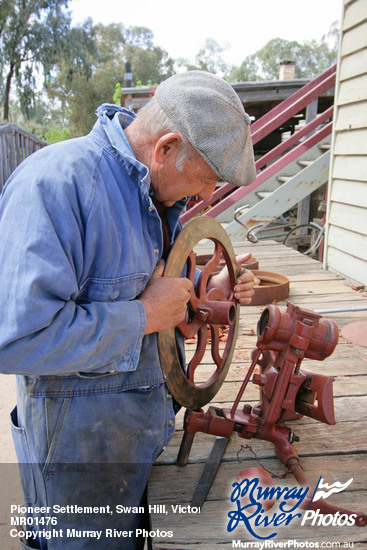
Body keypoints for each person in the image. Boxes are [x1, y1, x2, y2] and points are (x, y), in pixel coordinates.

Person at [0, 71, 256, 549]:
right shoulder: (58, 186)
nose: (204, 198)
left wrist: (208, 290)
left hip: (134, 443)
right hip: (79, 465)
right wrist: (143, 316)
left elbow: (151, 289)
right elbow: (15, 339)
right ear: (166, 147)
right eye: (205, 179)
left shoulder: (156, 195)